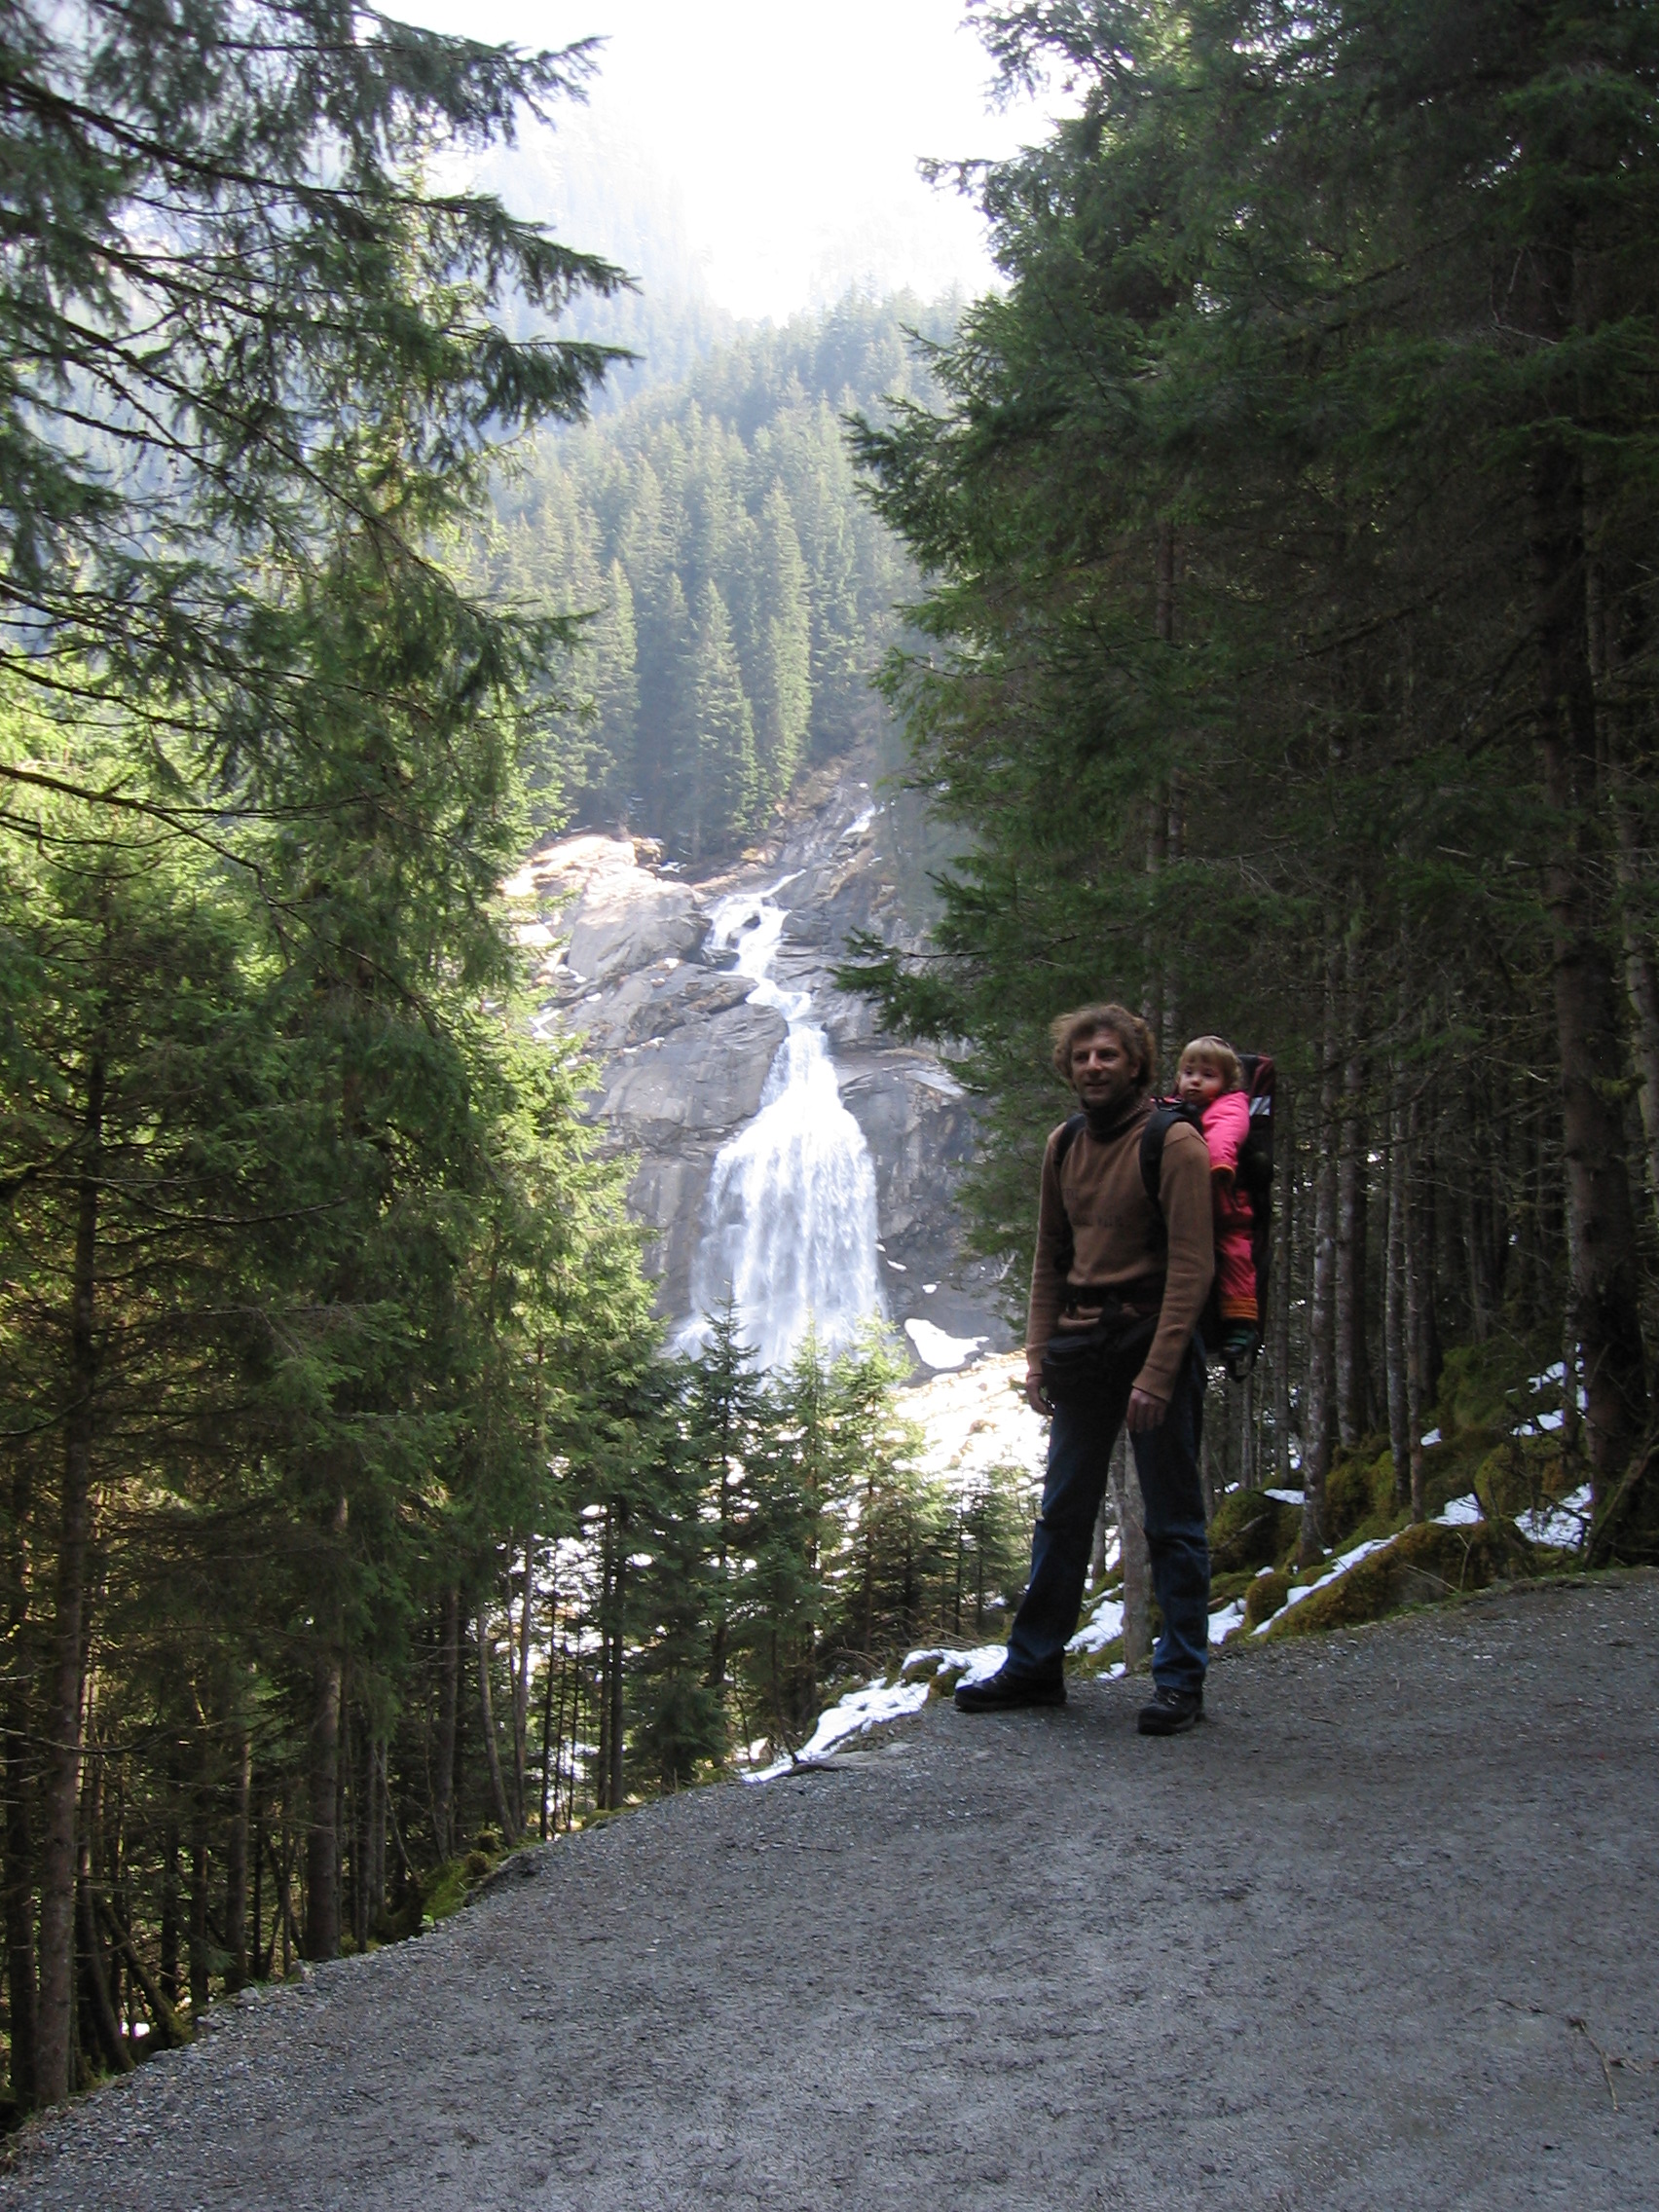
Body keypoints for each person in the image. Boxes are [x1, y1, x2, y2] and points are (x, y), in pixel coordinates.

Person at [955, 1004, 1215, 1735]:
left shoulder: (1174, 1142)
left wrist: (1158, 1373)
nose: (1093, 1066)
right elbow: (1051, 1254)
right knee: (1063, 1511)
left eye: (1107, 1055)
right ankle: (1035, 1666)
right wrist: (1037, 1355)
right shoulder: (1064, 1143)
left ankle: (1180, 1680)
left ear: (1136, 1064)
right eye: (1081, 1057)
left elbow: (1193, 1267)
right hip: (1081, 1347)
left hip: (1153, 1342)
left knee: (1172, 1517)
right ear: (1068, 1069)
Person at [1174, 1034, 1259, 1370]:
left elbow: (1226, 1134)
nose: (1195, 1080)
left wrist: (1218, 1164)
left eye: (1207, 1075)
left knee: (1235, 1252)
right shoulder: (1169, 1105)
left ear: (1226, 1082)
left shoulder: (1231, 1106)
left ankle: (1241, 1322)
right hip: (1182, 1203)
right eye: (1188, 1072)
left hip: (1223, 1201)